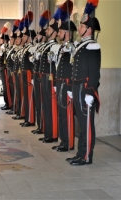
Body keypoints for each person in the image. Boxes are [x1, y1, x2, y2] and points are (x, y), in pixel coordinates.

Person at [66, 12, 101, 164]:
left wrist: (90, 91)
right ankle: (80, 153)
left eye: (81, 26)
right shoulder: (81, 45)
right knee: (81, 122)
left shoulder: (93, 46)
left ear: (89, 29)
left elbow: (94, 71)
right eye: (80, 26)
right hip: (77, 86)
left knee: (86, 123)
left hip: (85, 87)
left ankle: (86, 156)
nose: (79, 28)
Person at [53, 19, 77, 152]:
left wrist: (70, 88)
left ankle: (69, 143)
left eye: (61, 31)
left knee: (67, 114)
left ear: (67, 33)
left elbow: (74, 68)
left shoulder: (72, 47)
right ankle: (63, 141)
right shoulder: (62, 47)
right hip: (60, 82)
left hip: (67, 84)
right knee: (61, 113)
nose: (59, 33)